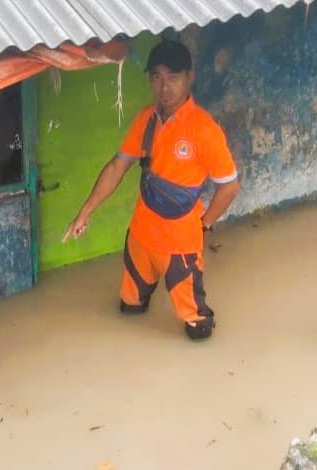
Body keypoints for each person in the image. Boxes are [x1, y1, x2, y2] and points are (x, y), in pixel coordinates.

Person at [62, 40, 240, 340]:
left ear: (189, 78)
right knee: (129, 311)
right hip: (141, 239)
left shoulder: (204, 129)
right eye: (156, 77)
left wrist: (205, 224)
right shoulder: (146, 119)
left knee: (198, 329)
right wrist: (84, 213)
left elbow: (230, 187)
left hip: (180, 247)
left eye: (173, 77)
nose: (163, 86)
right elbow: (117, 167)